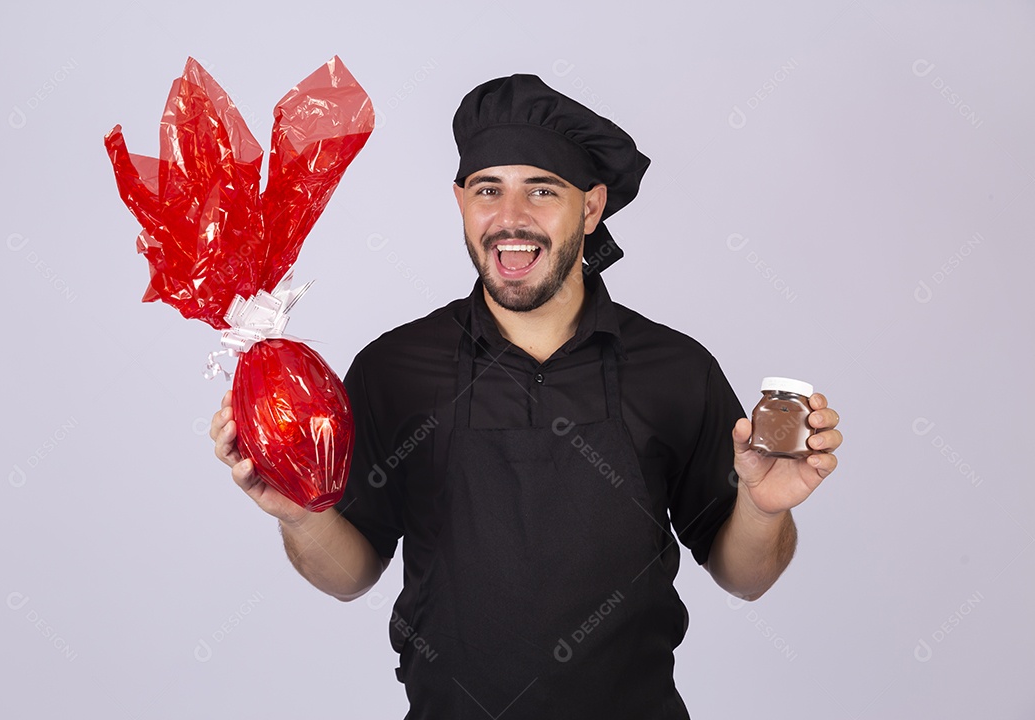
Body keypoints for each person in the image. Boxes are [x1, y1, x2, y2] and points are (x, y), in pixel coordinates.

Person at [209, 74, 843, 719]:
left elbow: (746, 577)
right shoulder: (394, 368)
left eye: (542, 190)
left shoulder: (675, 369)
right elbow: (351, 576)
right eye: (489, 190)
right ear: (460, 201)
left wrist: (764, 510)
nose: (510, 218)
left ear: (591, 207)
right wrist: (297, 513)